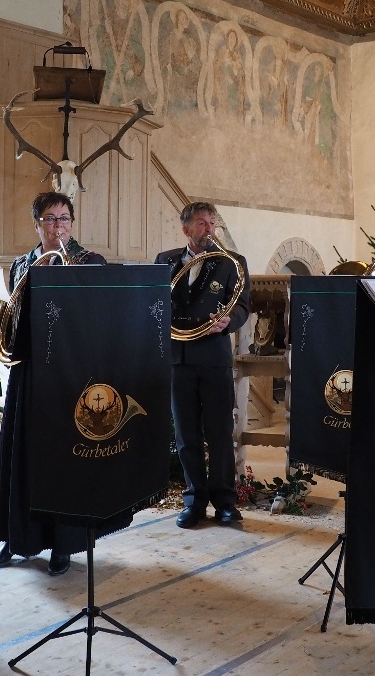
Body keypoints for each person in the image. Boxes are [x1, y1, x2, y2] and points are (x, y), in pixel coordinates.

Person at [0, 192, 107, 576]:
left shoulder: (91, 262)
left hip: (70, 374)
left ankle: (63, 545)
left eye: (65, 219)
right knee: (22, 456)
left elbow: (94, 318)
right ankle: (16, 538)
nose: (59, 227)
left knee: (63, 460)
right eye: (51, 220)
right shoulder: (22, 263)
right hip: (30, 370)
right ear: (36, 224)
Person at [155, 202, 251, 529]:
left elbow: (243, 307)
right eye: (201, 223)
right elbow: (154, 303)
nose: (208, 228)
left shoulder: (233, 263)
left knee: (220, 432)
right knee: (186, 435)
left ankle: (225, 501)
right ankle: (194, 500)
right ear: (186, 229)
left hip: (213, 357)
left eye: (212, 223)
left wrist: (228, 321)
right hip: (178, 358)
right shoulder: (165, 261)